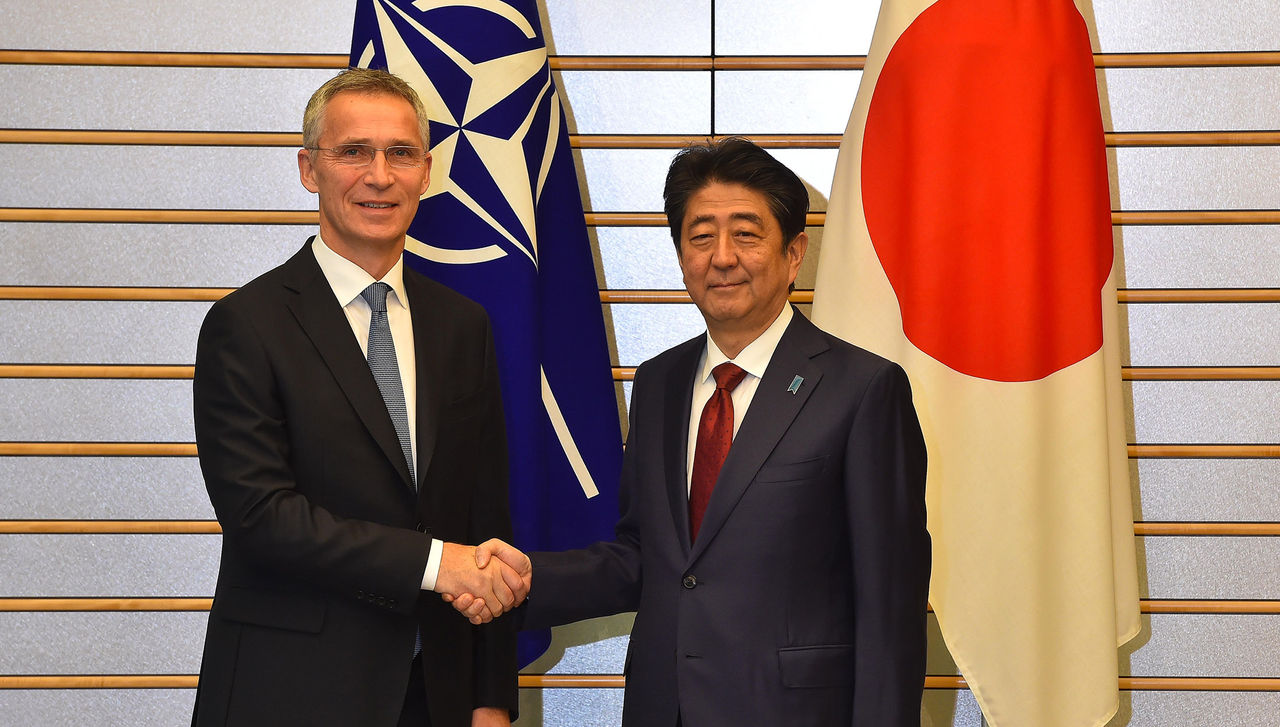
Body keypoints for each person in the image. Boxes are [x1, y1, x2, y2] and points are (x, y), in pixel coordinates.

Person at [456, 138, 931, 726]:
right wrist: (531, 579)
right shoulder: (659, 382)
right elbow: (646, 556)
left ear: (794, 253)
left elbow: (890, 603)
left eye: (747, 234)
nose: (722, 257)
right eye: (701, 236)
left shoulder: (863, 390)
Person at [191, 68, 526, 727]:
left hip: (437, 694)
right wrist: (436, 563)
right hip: (290, 694)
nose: (379, 175)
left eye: (401, 153)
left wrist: (491, 697)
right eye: (353, 152)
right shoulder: (246, 325)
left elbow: (485, 514)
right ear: (308, 169)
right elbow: (262, 517)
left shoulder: (463, 326)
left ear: (425, 172)